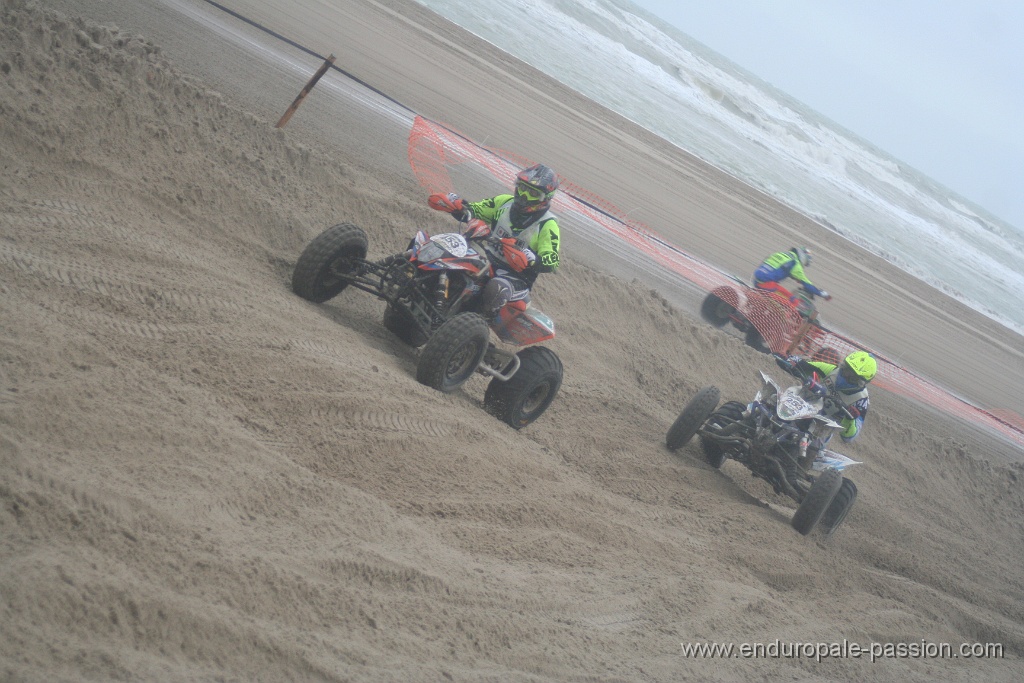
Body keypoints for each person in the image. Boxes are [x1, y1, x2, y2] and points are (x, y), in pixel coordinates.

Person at [428, 164, 561, 320]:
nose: (524, 195)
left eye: (532, 193)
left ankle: (479, 322)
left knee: (496, 288)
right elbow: (475, 210)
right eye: (522, 188)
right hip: (486, 258)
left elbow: (552, 261)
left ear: (545, 198)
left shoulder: (548, 224)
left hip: (516, 277)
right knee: (445, 250)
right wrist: (457, 206)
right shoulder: (504, 202)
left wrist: (531, 257)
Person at [775, 349, 877, 445]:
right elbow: (802, 364)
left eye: (853, 377)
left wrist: (850, 419)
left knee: (814, 446)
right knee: (775, 398)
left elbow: (849, 437)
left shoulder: (861, 400)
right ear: (843, 366)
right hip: (801, 406)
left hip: (821, 427)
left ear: (861, 382)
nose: (846, 377)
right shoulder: (832, 370)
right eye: (846, 371)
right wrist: (787, 359)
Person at [753, 247, 831, 301]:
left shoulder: (781, 254)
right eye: (806, 262)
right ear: (804, 257)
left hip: (756, 279)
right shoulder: (795, 264)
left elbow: (768, 263)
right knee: (793, 300)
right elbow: (807, 284)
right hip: (767, 285)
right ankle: (781, 323)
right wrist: (822, 293)